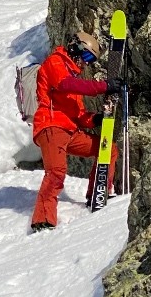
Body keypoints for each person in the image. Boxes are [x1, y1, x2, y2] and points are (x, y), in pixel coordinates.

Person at [29, 30, 118, 231]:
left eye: (91, 60)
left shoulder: (72, 76)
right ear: (75, 47)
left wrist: (96, 118)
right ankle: (42, 220)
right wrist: (103, 86)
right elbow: (66, 84)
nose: (86, 63)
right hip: (51, 127)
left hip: (70, 132)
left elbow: (79, 116)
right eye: (86, 56)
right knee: (56, 172)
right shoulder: (55, 62)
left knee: (108, 149)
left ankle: (97, 191)